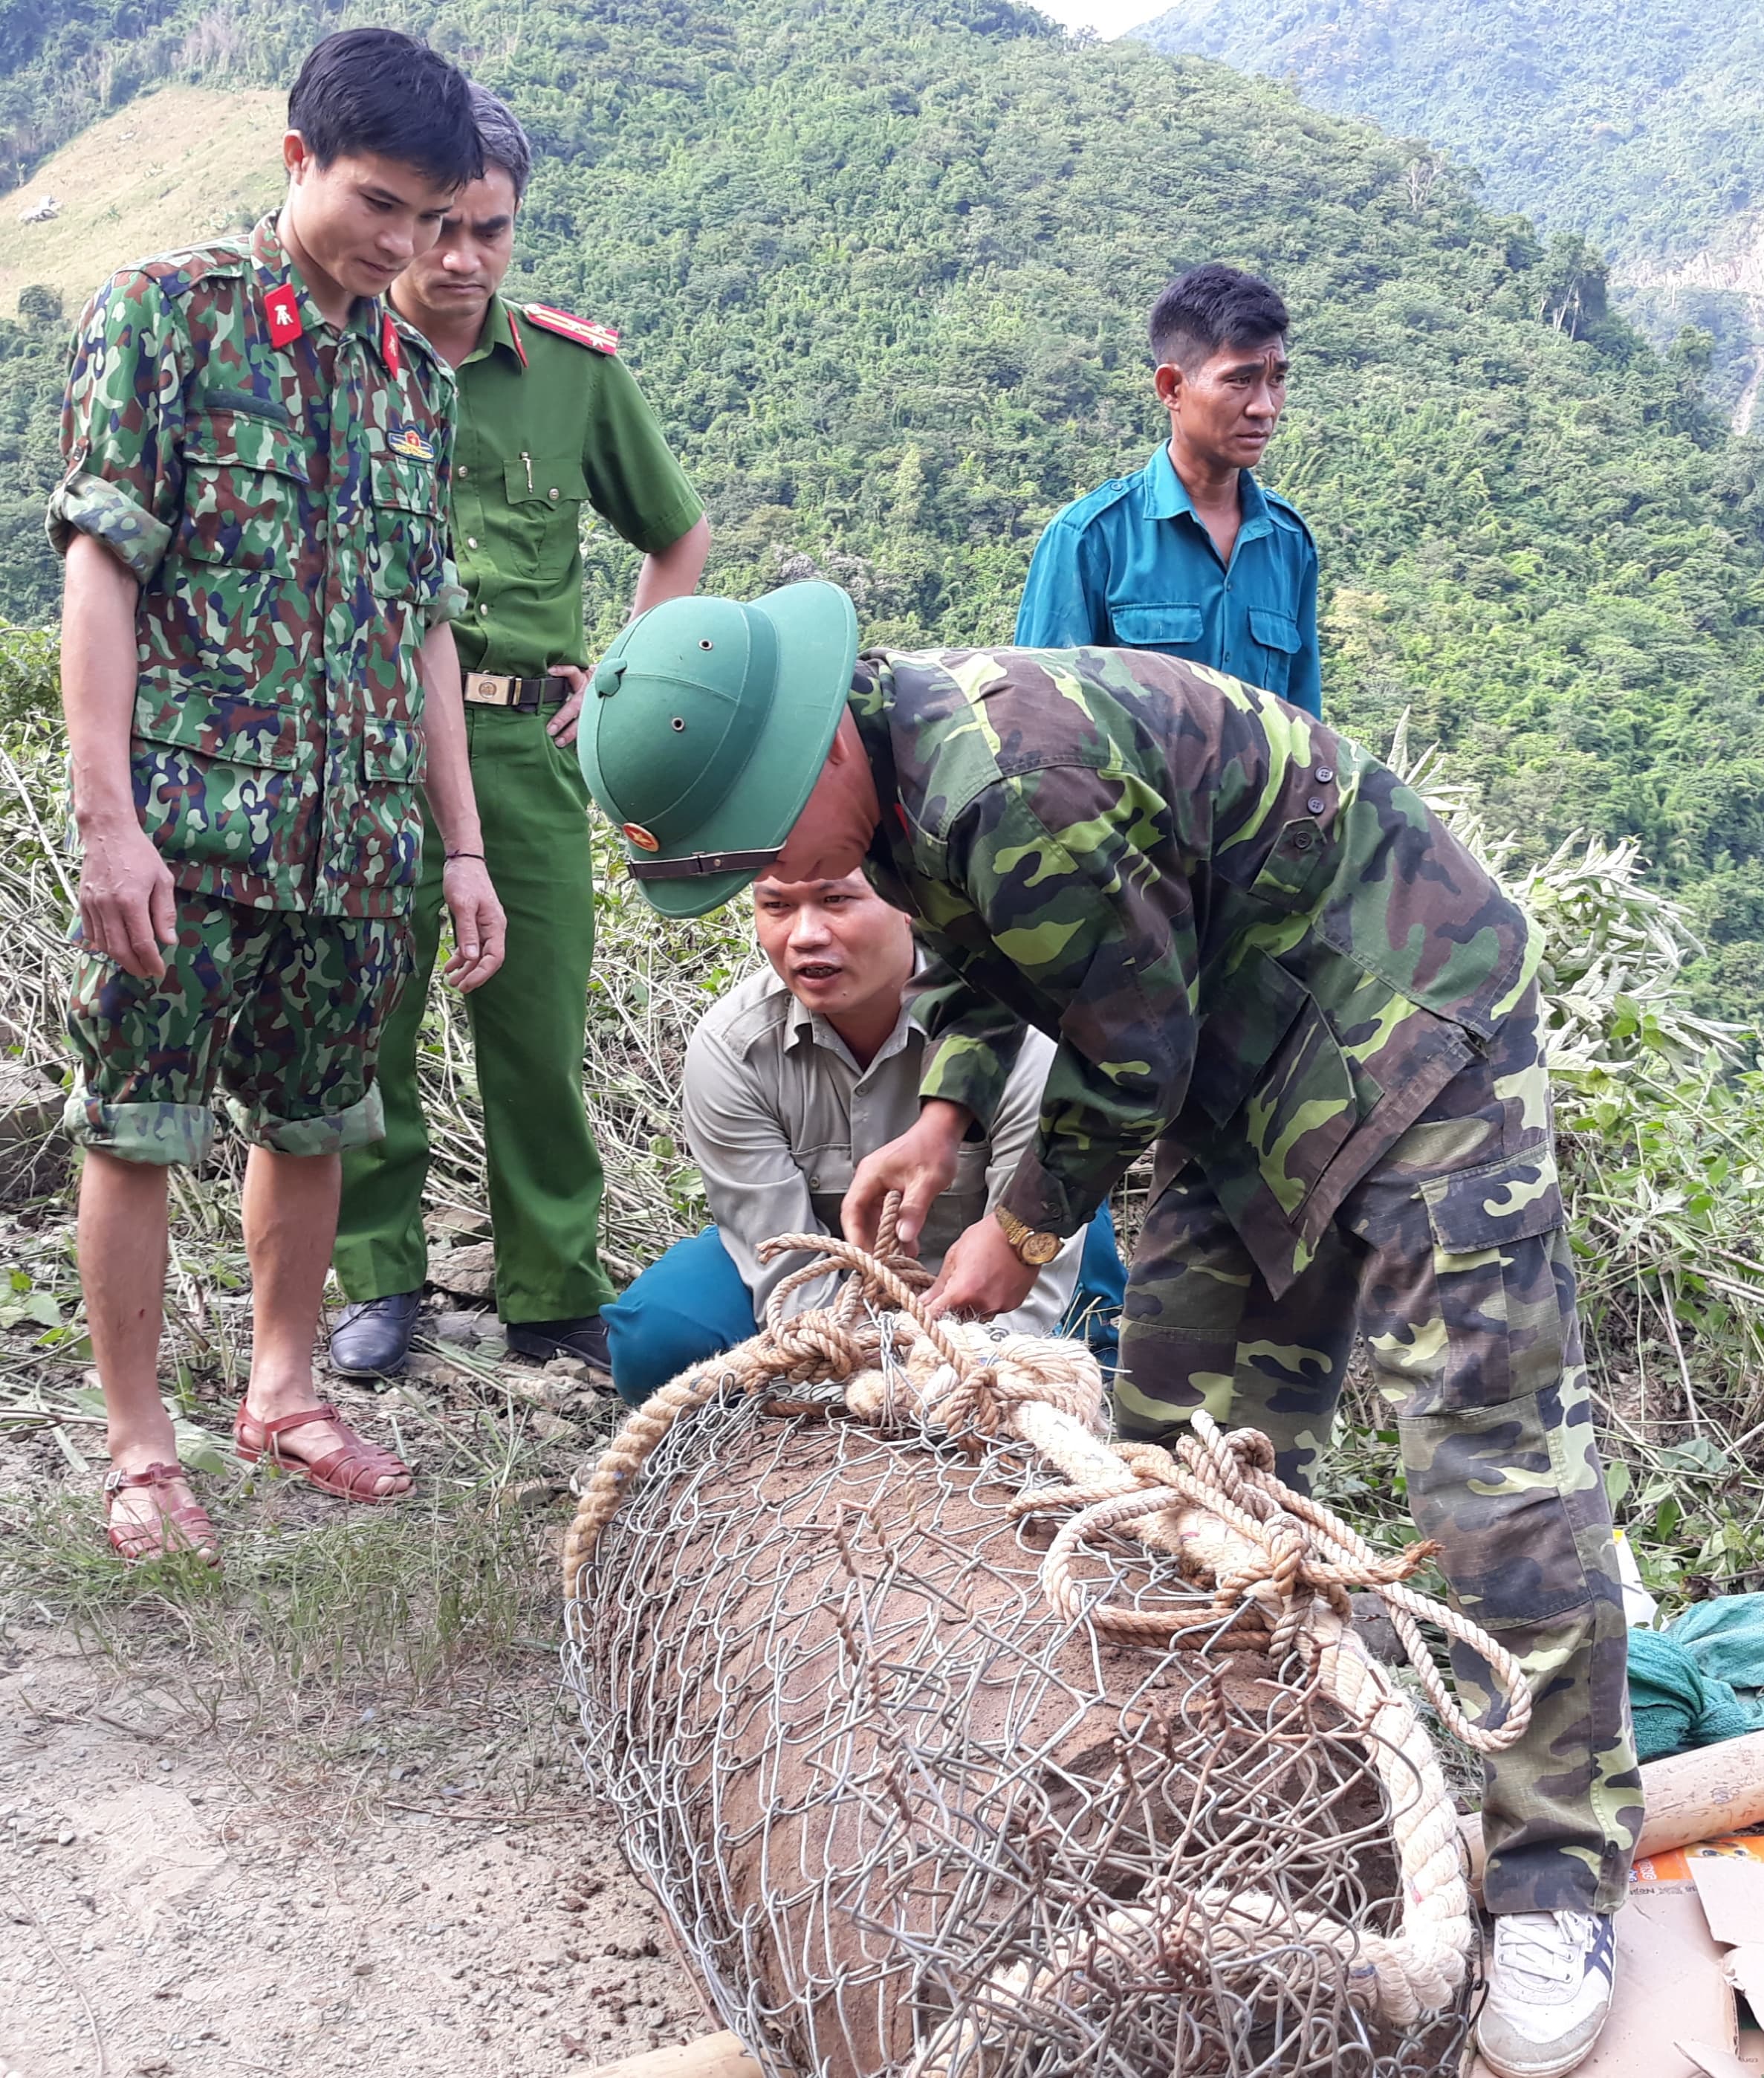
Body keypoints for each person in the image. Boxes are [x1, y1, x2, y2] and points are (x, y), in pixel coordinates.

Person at [574, 585, 1639, 2078]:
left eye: (761, 851)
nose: (778, 897)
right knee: (1170, 1446)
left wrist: (1012, 1234)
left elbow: (1125, 1044)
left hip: (1403, 1014)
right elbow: (993, 956)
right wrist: (942, 1117)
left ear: (813, 750)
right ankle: (1233, 1782)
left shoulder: (1007, 775)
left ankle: (1556, 1872)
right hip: (1232, 1047)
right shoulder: (892, 778)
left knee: (1485, 1444)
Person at [52, 29, 505, 1564]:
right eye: (381, 205)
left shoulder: (413, 380)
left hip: (355, 838)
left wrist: (459, 846)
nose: (405, 246)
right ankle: (134, 1450)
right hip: (187, 823)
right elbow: (102, 566)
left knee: (316, 1121)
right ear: (297, 158)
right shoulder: (168, 318)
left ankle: (284, 1395)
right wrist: (108, 817)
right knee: (134, 1126)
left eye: (434, 220)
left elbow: (426, 623)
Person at [328, 85, 710, 1379]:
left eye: (487, 230)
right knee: (366, 1019)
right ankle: (379, 1280)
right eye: (438, 226)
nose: (458, 259)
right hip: (372, 743)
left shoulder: (574, 376)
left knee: (534, 1024)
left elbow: (676, 532)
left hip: (523, 750)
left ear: (513, 226)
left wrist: (615, 676)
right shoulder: (342, 356)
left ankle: (551, 1284)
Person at [599, 868, 1126, 1405]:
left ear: (908, 905)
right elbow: (780, 1258)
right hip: (827, 1269)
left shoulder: (1012, 1026)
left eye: (835, 899)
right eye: (776, 907)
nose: (805, 934)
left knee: (1067, 1344)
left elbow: (1027, 1286)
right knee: (657, 1341)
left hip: (1007, 1251)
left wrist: (961, 1379)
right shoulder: (732, 1049)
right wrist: (868, 1373)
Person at [1014, 264, 1320, 716]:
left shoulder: (1289, 543)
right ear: (1172, 387)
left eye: (1276, 380)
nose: (1264, 407)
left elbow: (1305, 727)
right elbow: (1040, 718)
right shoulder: (1092, 537)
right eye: (1240, 380)